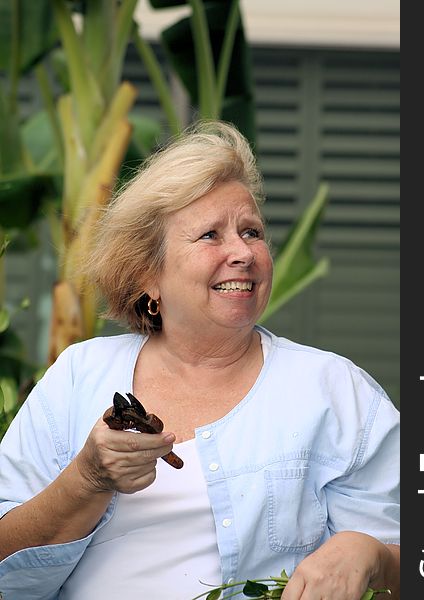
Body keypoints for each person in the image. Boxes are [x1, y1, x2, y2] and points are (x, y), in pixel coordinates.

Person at [0, 120, 400, 600]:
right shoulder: (76, 376)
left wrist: (369, 554)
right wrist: (87, 480)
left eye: (251, 232)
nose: (243, 253)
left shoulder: (336, 389)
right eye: (210, 235)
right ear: (148, 275)